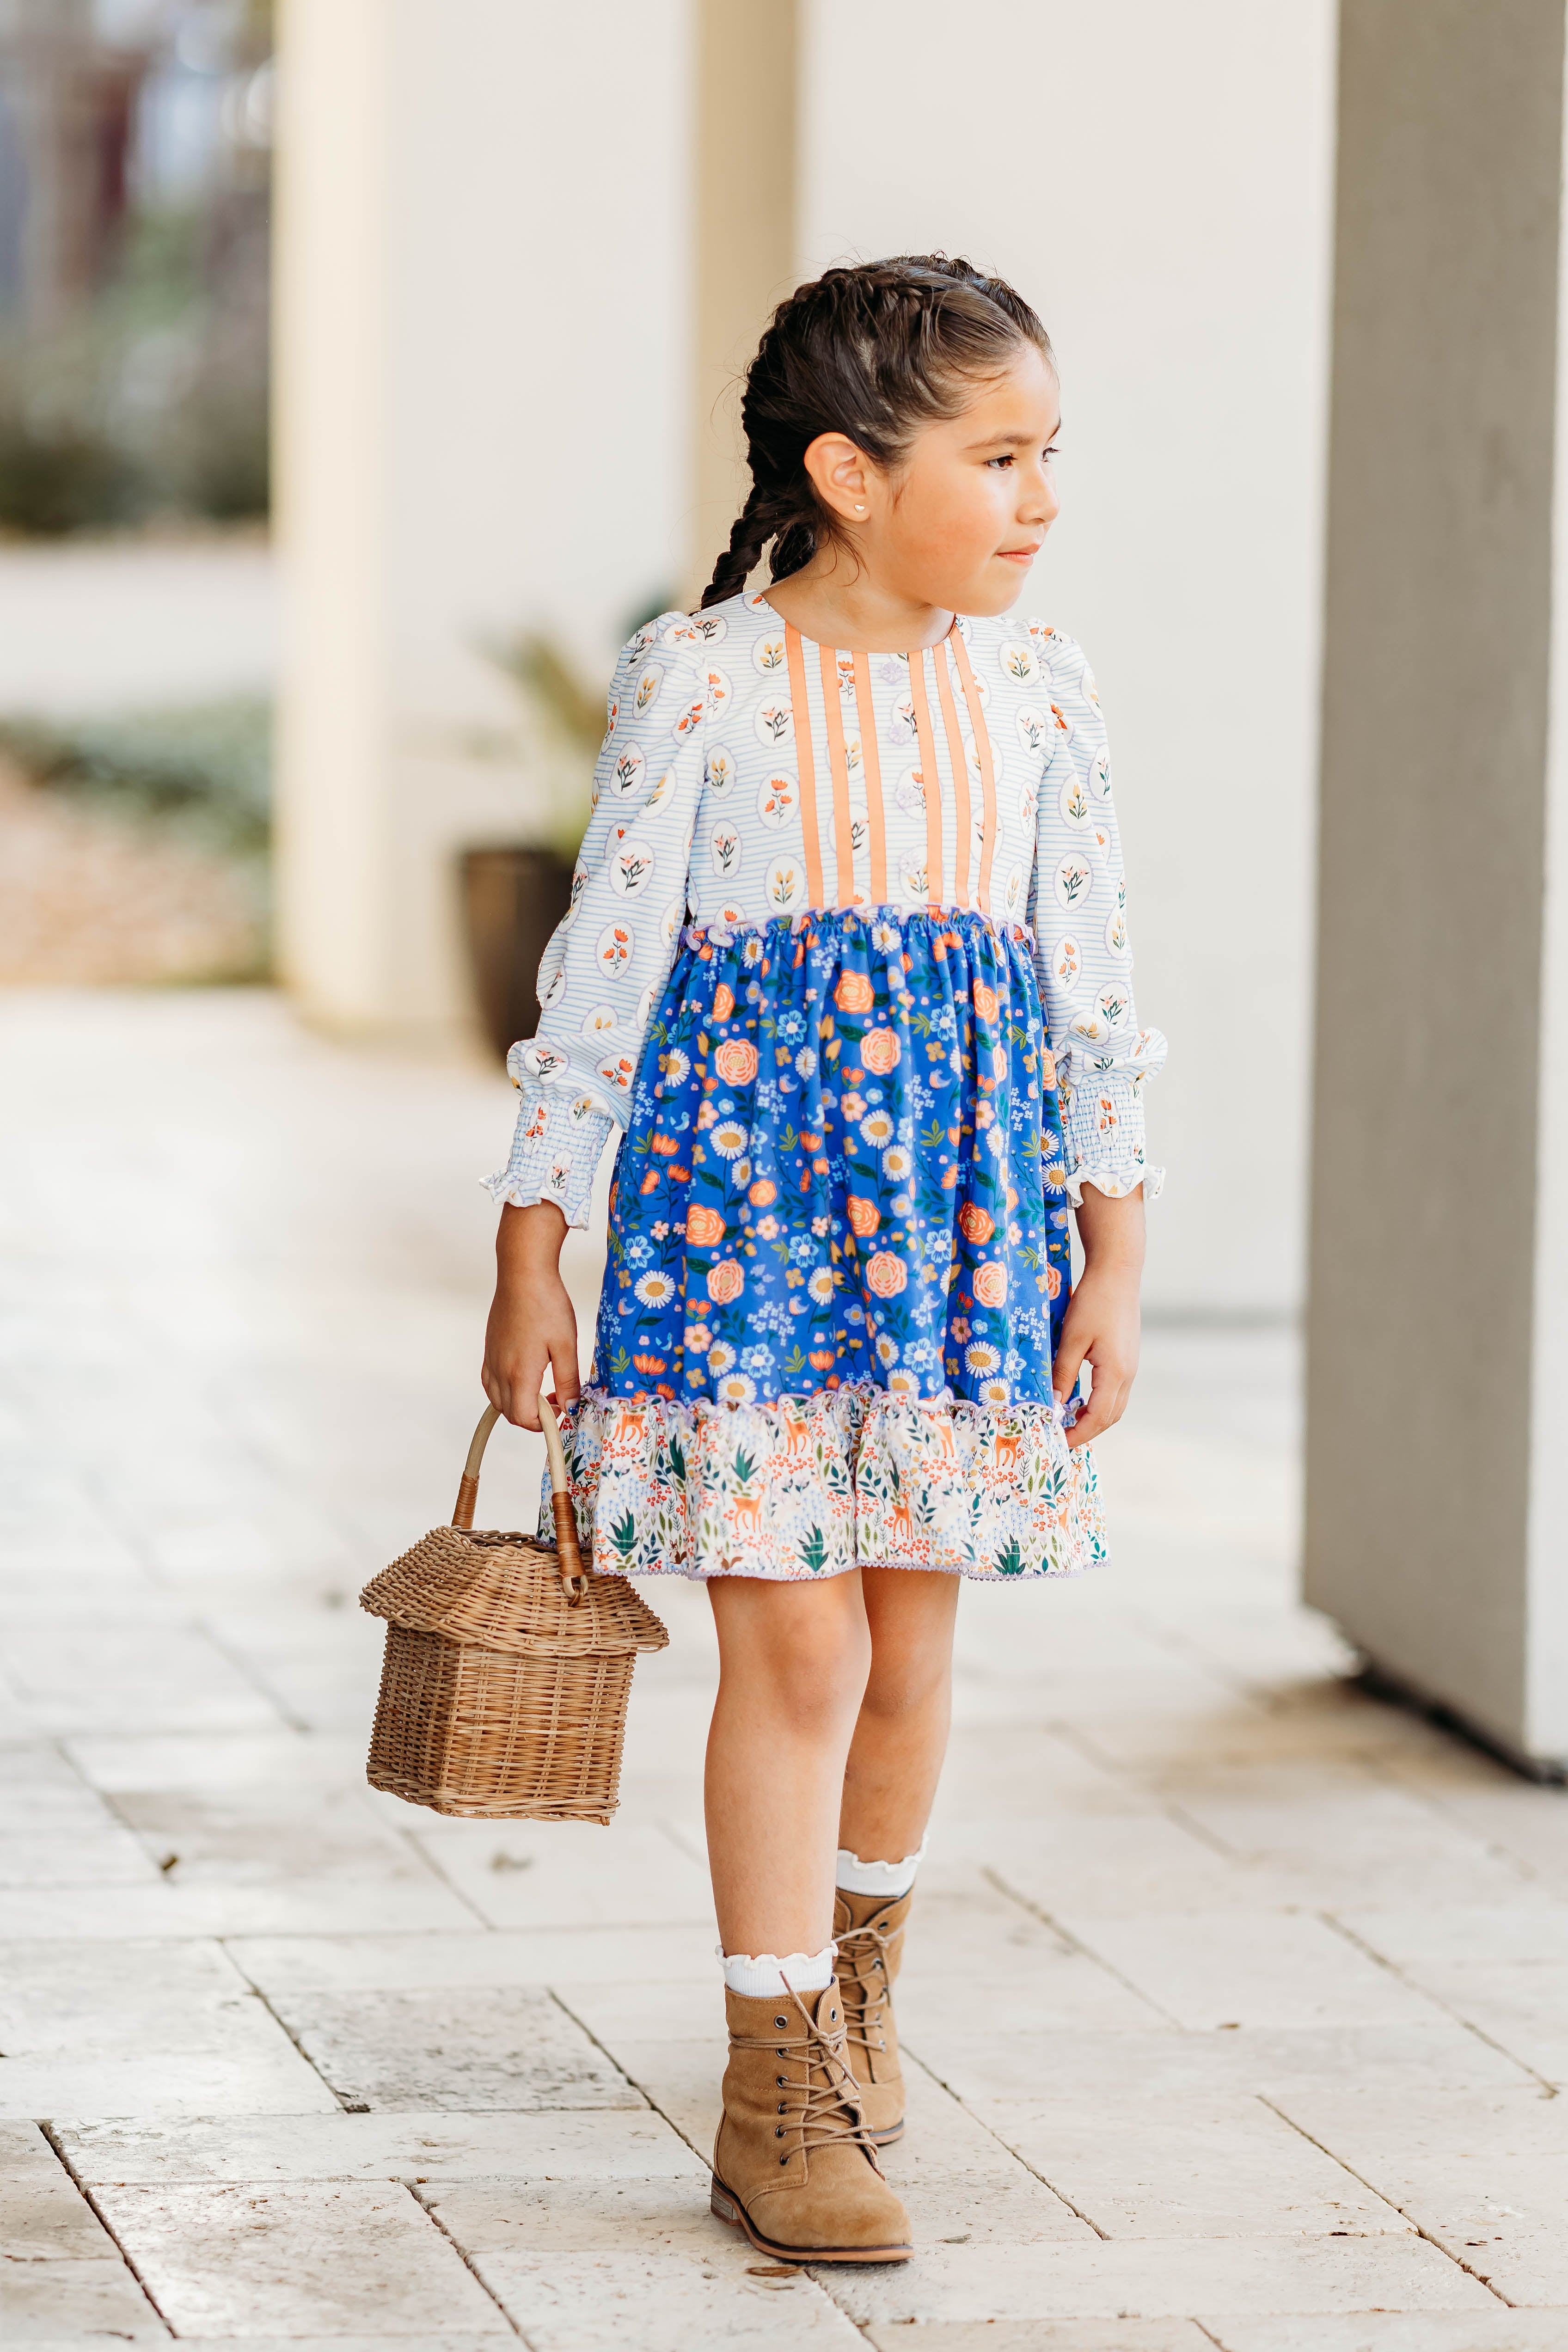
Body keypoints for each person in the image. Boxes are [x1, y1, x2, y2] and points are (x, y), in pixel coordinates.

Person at [480, 255, 1164, 2266]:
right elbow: (599, 975)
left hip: (959, 1230)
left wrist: (1110, 1251)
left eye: (1051, 457)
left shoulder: (1042, 689)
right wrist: (534, 1246)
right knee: (798, 1645)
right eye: (1001, 459)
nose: (1040, 501)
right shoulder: (700, 678)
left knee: (911, 1648)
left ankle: (865, 1971)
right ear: (849, 473)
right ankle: (768, 2066)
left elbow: (1090, 992)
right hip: (737, 1224)